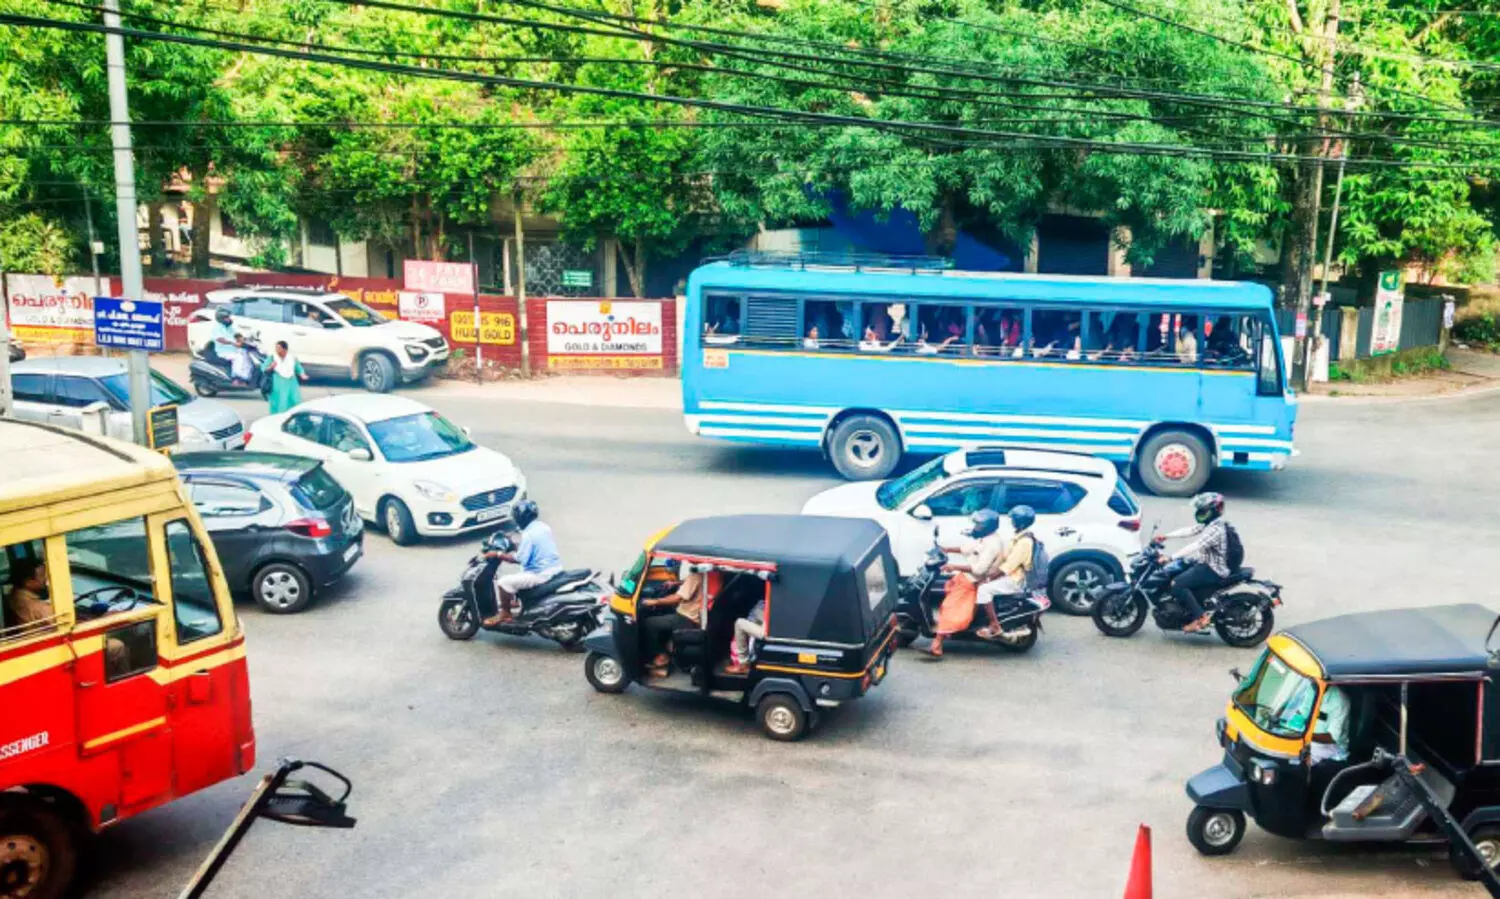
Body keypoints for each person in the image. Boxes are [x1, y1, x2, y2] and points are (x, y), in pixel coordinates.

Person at [927, 509, 1007, 658]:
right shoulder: (986, 538)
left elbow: (979, 569)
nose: (975, 527)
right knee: (947, 595)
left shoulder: (992, 544)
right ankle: (949, 632)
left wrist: (953, 566)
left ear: (986, 526)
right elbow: (968, 549)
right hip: (966, 577)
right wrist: (946, 549)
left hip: (973, 580)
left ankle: (937, 644)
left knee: (949, 607)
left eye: (978, 525)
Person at [1164, 492, 1234, 633]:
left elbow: (1196, 545)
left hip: (1213, 569)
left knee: (1177, 584)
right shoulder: (1210, 524)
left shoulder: (1215, 529)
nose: (1199, 513)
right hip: (1205, 564)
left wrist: (1170, 557)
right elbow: (1190, 531)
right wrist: (1165, 536)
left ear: (1211, 511)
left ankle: (1201, 618)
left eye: (1203, 510)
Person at [482, 500, 561, 626]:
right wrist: (514, 546)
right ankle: (516, 599)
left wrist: (498, 554)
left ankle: (505, 612)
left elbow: (518, 559)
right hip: (554, 569)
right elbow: (533, 549)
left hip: (540, 574)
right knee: (522, 572)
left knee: (503, 582)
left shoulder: (528, 534)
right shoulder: (543, 527)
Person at [975, 506, 1039, 640]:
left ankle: (994, 625)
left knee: (983, 589)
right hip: (1012, 576)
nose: (1011, 521)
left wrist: (989, 578)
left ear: (1020, 522)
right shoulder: (1020, 536)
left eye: (1014, 519)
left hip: (1015, 579)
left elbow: (1008, 567)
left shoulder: (1024, 542)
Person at [640, 561, 708, 677]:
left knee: (649, 623)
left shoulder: (696, 575)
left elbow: (677, 598)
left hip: (687, 618)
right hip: (694, 616)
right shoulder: (705, 573)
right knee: (664, 617)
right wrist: (676, 583)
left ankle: (661, 656)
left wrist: (655, 601)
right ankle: (666, 650)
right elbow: (690, 586)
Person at [261, 341, 308, 414]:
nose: (277, 350)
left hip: (291, 381)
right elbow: (263, 368)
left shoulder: (292, 358)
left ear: (285, 349)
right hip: (278, 381)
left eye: (279, 348)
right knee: (279, 401)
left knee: (294, 400)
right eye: (276, 348)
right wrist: (271, 367)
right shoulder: (272, 357)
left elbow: (298, 367)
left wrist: (302, 374)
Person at [3, 558, 51, 629]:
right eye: (42, 575)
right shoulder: (38, 607)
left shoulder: (15, 594)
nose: (46, 578)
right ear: (28, 582)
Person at [725, 595, 766, 674]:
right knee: (756, 610)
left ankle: (743, 663)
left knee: (739, 623)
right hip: (775, 624)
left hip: (771, 629)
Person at [1311, 684, 1351, 764]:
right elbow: (1301, 712)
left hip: (1333, 745)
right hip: (1313, 739)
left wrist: (1306, 736)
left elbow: (1332, 737)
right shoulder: (1311, 687)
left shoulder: (1340, 702)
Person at [205, 306, 239, 372]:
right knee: (239, 359)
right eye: (227, 318)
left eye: (229, 317)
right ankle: (237, 379)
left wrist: (246, 339)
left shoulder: (229, 328)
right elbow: (220, 339)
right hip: (224, 353)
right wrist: (232, 343)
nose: (229, 319)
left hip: (233, 351)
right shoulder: (217, 327)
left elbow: (237, 335)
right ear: (221, 318)